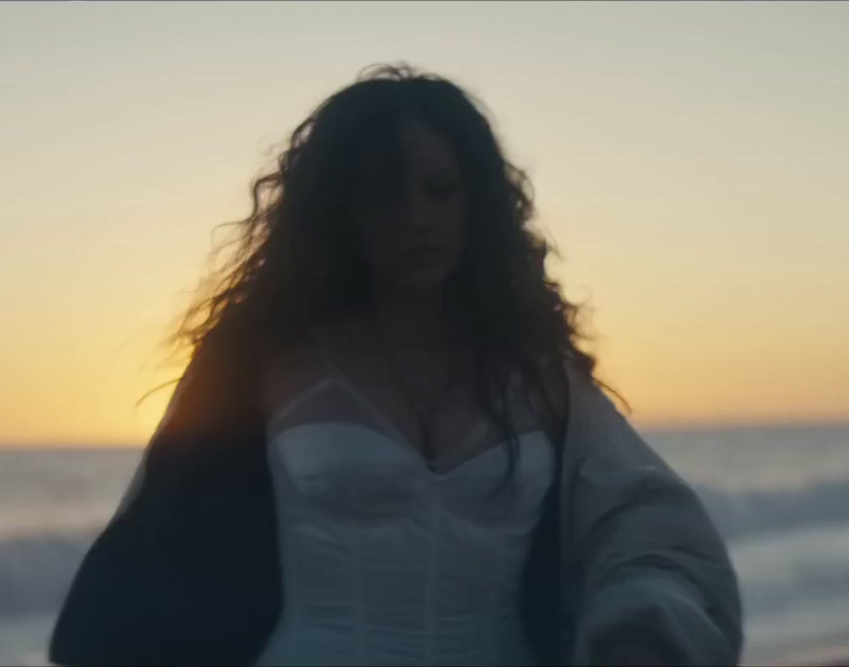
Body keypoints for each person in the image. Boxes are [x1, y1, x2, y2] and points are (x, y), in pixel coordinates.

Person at [49, 63, 742, 666]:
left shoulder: (536, 374)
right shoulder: (262, 366)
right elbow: (159, 552)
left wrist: (639, 630)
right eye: (386, 194)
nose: (416, 217)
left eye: (442, 190)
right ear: (341, 211)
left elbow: (643, 519)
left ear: (478, 203)